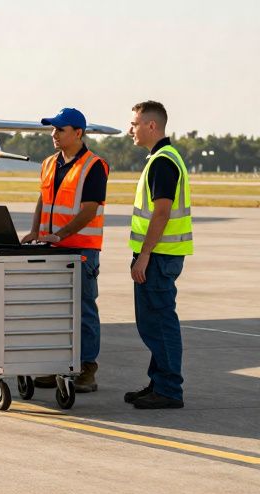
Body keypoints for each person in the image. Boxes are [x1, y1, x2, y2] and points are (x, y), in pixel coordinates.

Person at [20, 108, 108, 393]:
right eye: (52, 130)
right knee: (53, 309)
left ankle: (86, 368)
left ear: (78, 133)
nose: (53, 135)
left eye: (60, 129)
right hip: (51, 247)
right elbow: (42, 200)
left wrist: (60, 234)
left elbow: (89, 211)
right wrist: (36, 231)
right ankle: (56, 366)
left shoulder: (94, 166)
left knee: (83, 310)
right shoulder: (48, 163)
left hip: (81, 250)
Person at [125, 100, 192, 409]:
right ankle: (159, 382)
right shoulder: (161, 158)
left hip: (159, 257)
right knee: (152, 322)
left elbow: (162, 213)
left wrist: (144, 256)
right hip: (160, 255)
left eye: (135, 124)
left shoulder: (163, 161)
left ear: (152, 126)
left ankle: (168, 389)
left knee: (160, 323)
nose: (130, 130)